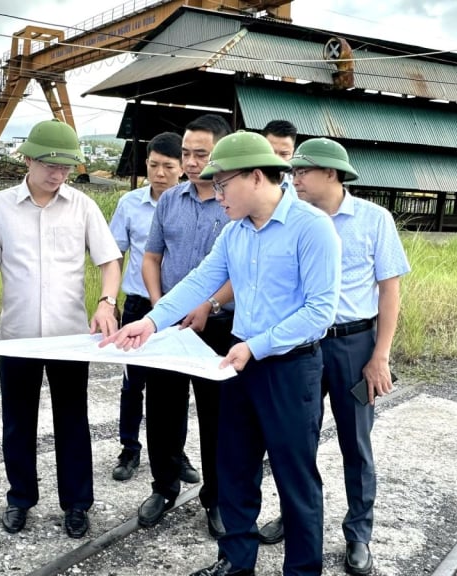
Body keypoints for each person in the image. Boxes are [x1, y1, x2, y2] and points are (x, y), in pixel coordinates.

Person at [102, 131, 341, 576]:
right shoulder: (234, 233)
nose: (217, 192)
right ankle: (235, 561)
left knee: (295, 478)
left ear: (255, 177)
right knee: (234, 469)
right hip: (240, 365)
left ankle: (303, 569)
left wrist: (257, 345)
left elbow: (319, 311)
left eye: (223, 182)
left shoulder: (312, 228)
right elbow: (198, 281)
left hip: (289, 367)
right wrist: (150, 321)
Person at [257, 138, 410, 576]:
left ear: (332, 174)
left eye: (303, 172)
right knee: (294, 441)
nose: (294, 178)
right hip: (301, 345)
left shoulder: (373, 220)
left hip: (354, 345)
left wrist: (380, 356)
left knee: (355, 443)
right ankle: (297, 518)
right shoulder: (289, 218)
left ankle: (358, 533)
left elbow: (389, 290)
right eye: (293, 172)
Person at [0, 119, 122, 539]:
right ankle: (20, 498)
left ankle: (76, 504)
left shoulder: (83, 207)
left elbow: (109, 261)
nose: (57, 175)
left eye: (66, 168)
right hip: (18, 336)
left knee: (72, 421)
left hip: (70, 337)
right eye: (50, 166)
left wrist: (106, 301)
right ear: (28, 159)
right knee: (18, 422)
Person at [136, 114, 233, 539]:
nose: (191, 162)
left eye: (201, 154)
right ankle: (164, 486)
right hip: (170, 325)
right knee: (161, 410)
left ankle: (215, 497)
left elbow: (242, 269)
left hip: (219, 326)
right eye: (187, 154)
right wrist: (161, 309)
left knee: (217, 417)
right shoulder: (170, 200)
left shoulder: (235, 203)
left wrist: (208, 306)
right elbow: (151, 257)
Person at [107, 131, 186, 482]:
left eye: (168, 166)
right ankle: (129, 449)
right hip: (139, 305)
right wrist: (108, 302)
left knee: (175, 387)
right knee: (132, 382)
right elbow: (114, 254)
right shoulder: (130, 204)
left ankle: (175, 453)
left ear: (183, 168)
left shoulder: (193, 205)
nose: (160, 173)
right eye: (154, 165)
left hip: (179, 309)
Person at [260, 119, 298, 193]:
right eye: (271, 153)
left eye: (284, 154)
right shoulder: (245, 186)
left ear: (292, 153)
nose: (276, 160)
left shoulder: (299, 190)